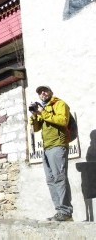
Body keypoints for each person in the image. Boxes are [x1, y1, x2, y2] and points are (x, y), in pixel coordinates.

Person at [29, 85, 73, 221]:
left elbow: (63, 120)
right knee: (51, 180)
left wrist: (43, 113)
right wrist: (34, 115)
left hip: (58, 145)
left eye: (45, 90)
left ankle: (66, 211)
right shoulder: (43, 109)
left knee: (60, 178)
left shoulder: (60, 104)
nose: (42, 93)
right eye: (40, 92)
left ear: (50, 92)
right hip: (47, 148)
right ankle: (59, 211)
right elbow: (36, 129)